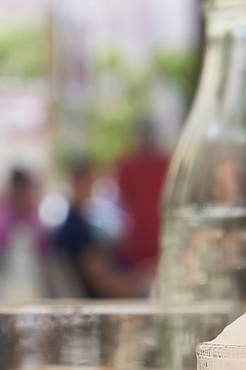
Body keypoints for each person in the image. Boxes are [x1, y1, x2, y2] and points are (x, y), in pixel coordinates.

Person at [52, 158, 148, 298]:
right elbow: (100, 279)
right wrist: (138, 289)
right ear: (75, 184)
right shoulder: (74, 227)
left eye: (91, 183)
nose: (90, 189)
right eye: (87, 183)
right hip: (100, 304)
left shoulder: (80, 222)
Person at [113, 119, 169, 273]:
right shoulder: (168, 162)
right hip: (160, 244)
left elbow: (125, 203)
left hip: (140, 246)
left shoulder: (126, 165)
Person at [0, 166, 47, 299]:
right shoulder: (0, 219)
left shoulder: (34, 218)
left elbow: (45, 254)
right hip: (5, 288)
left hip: (33, 287)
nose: (22, 195)